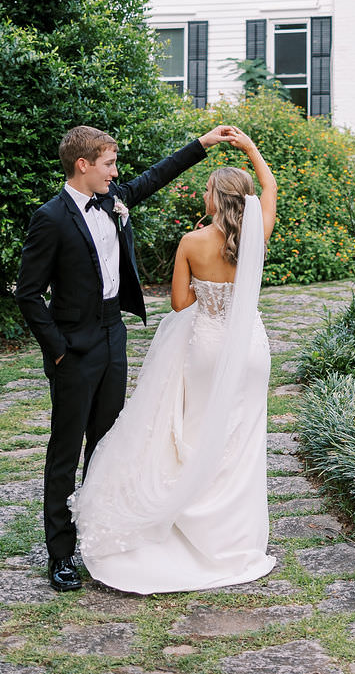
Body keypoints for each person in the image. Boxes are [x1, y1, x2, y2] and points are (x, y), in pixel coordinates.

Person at [16, 123, 224, 592]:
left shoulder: (113, 200)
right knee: (66, 450)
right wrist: (59, 352)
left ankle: (101, 540)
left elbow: (156, 176)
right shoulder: (50, 218)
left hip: (114, 336)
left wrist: (202, 145)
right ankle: (61, 554)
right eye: (108, 163)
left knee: (108, 445)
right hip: (74, 346)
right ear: (83, 165)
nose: (116, 172)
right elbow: (28, 294)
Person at [71, 125, 277, 593]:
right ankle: (235, 540)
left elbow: (182, 304)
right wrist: (249, 147)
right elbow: (271, 186)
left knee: (199, 432)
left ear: (213, 199)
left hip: (206, 347)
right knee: (242, 440)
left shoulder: (192, 242)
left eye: (206, 189)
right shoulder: (258, 232)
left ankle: (191, 523)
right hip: (249, 349)